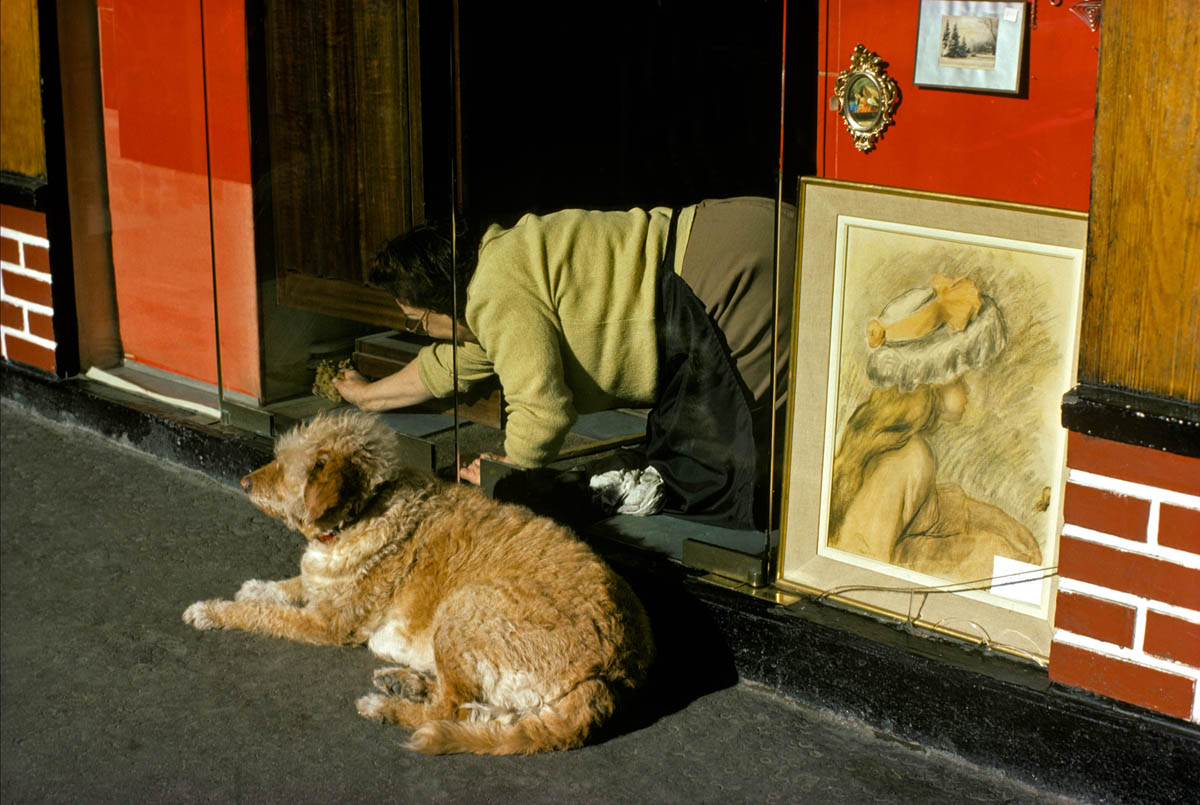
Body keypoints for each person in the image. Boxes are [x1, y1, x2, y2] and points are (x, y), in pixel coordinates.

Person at [335, 197, 794, 529]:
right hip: (732, 237)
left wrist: (503, 472)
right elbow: (447, 367)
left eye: (417, 323)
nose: (423, 333)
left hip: (727, 278)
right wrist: (366, 396)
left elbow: (542, 412)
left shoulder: (497, 291)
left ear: (442, 303)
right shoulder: (495, 267)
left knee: (726, 477)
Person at [828, 274, 1042, 583]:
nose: (968, 390)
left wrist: (993, 520)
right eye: (959, 378)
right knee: (1000, 558)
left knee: (1007, 553)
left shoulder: (909, 450)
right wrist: (979, 554)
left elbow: (929, 511)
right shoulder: (909, 456)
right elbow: (862, 562)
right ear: (931, 384)